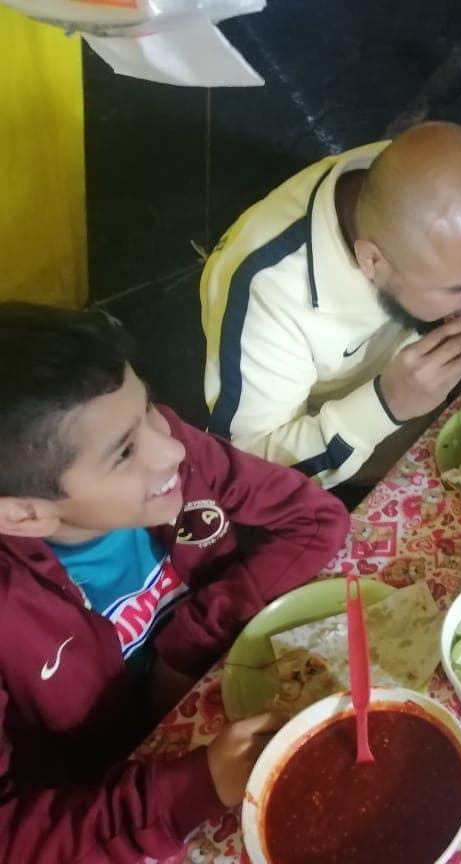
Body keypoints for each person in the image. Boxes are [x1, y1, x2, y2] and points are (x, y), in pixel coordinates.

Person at [0, 303, 350, 863]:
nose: (174, 448)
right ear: (23, 515)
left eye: (148, 411)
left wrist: (189, 641)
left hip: (212, 704)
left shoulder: (168, 452)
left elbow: (315, 519)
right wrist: (192, 790)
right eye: (124, 453)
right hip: (116, 805)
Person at [201, 121, 461, 489]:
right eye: (458, 288)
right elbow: (244, 473)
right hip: (342, 450)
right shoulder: (267, 296)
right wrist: (384, 405)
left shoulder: (439, 191)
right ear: (372, 261)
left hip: (431, 408)